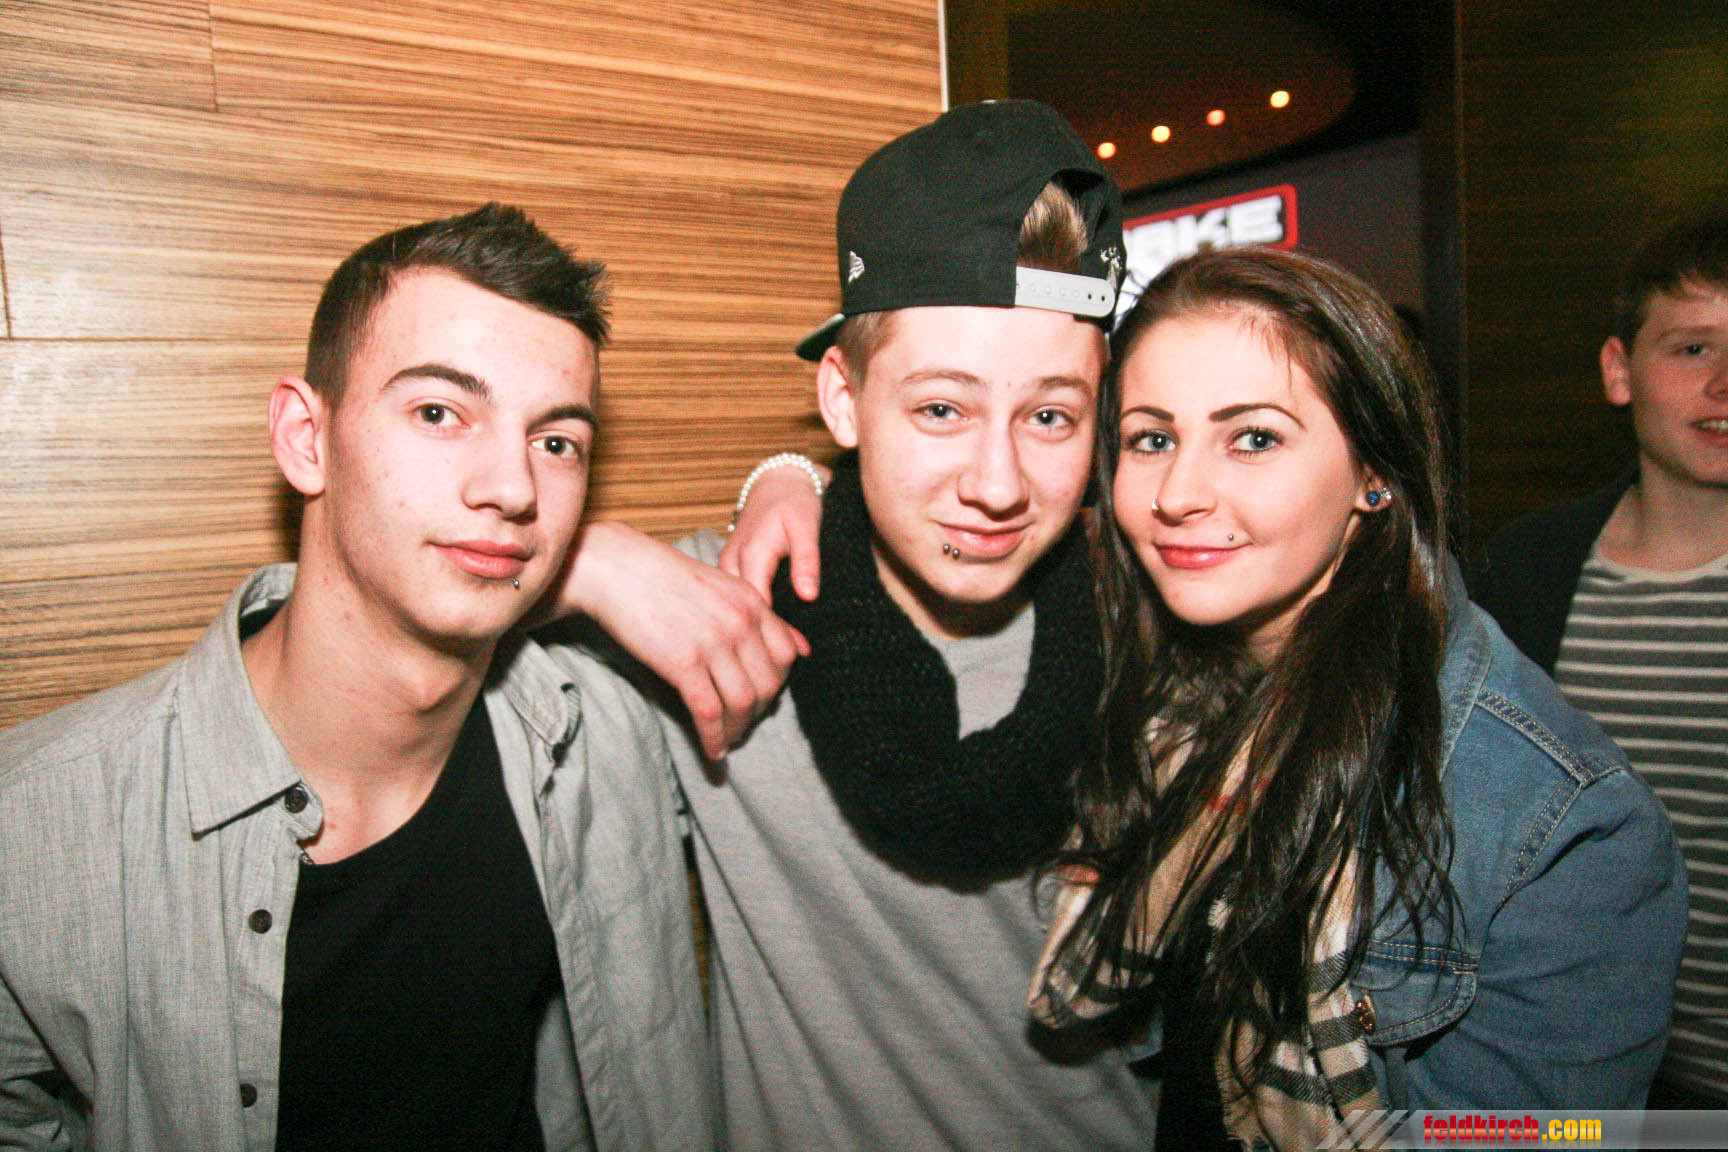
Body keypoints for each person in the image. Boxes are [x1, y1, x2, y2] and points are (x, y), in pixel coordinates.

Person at [0, 204, 714, 1151]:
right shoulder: (39, 831)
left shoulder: (604, 741)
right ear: (306, 438)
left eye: (556, 442)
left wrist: (783, 478)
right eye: (438, 413)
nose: (513, 488)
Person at [578, 100, 1159, 1150]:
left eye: (1050, 416)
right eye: (942, 408)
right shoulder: (716, 614)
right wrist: (583, 558)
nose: (998, 483)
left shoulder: (1170, 629)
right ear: (842, 401)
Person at [1020, 246, 1687, 1148]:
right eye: (1152, 438)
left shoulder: (1560, 820)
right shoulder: (1161, 698)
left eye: (1254, 438)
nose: (1178, 493)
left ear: (1375, 472)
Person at [1470, 208, 1728, 1106]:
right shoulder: (1521, 573)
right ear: (1620, 372)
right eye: (1692, 348)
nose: (1725, 382)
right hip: (1573, 1088)